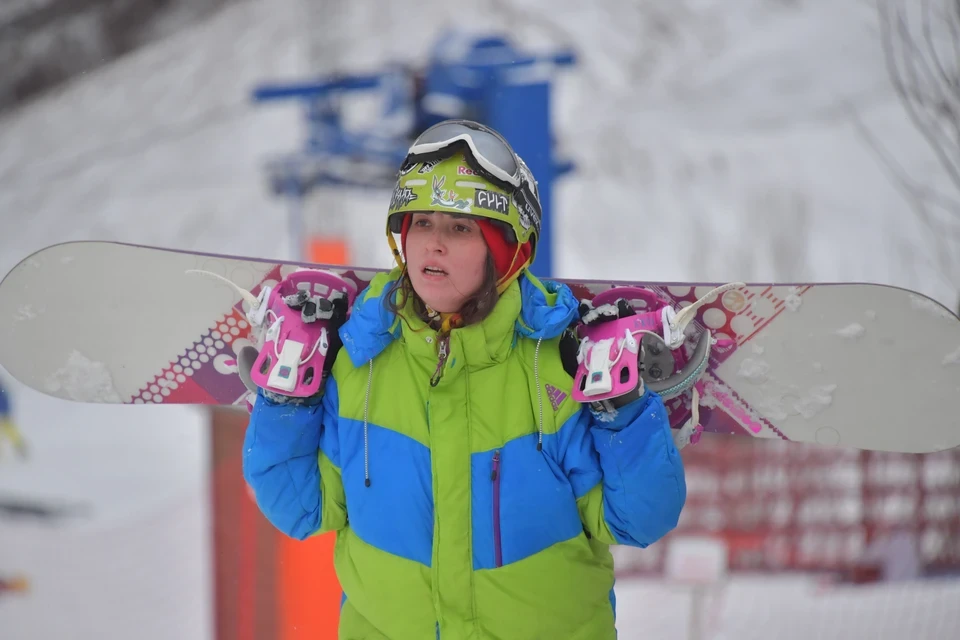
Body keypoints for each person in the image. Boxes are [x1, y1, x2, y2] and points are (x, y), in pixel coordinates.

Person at [242, 119, 686, 639]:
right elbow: (301, 507)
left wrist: (624, 411)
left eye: (460, 228)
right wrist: (285, 400)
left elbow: (638, 519)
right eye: (422, 224)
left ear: (506, 251)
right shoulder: (361, 361)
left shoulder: (555, 367)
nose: (434, 245)